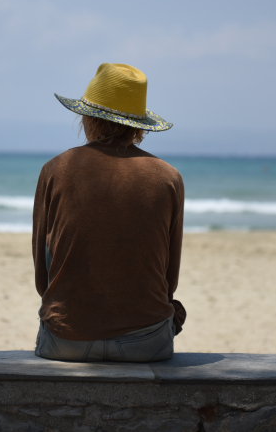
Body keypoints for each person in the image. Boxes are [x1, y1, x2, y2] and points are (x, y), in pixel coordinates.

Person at [32, 63, 186, 363]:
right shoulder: (168, 177)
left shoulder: (54, 169)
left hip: (66, 340)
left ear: (88, 117)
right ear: (140, 126)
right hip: (147, 343)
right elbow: (170, 277)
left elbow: (43, 272)